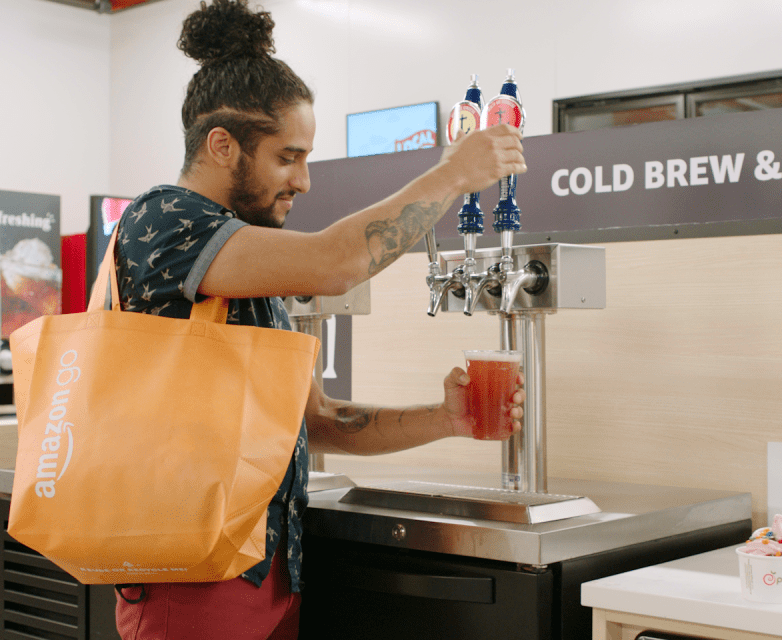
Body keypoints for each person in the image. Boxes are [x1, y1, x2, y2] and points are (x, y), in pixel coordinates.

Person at [111, 1, 527, 638]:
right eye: (288, 157)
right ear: (222, 146)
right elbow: (338, 263)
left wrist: (447, 419)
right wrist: (453, 175)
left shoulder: (246, 259)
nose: (303, 181)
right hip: (192, 584)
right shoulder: (163, 221)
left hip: (268, 574)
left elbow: (318, 421)